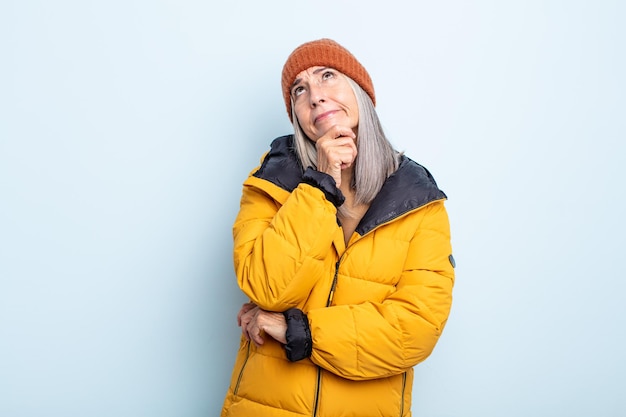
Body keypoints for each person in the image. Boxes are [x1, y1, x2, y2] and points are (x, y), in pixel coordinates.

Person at [220, 38, 455, 417]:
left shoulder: (418, 199)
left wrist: (299, 331)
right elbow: (267, 287)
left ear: (360, 91)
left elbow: (415, 329)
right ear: (297, 114)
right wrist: (319, 184)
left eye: (327, 75)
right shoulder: (271, 181)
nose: (315, 95)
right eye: (300, 89)